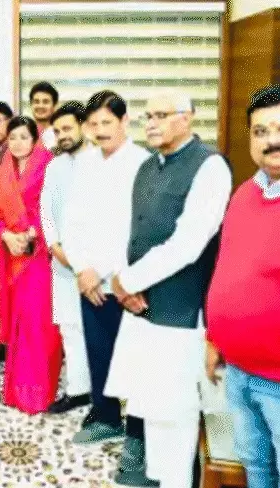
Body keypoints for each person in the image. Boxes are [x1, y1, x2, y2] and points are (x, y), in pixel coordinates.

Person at [107, 90, 231, 488]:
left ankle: (175, 481)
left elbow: (188, 244)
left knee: (175, 411)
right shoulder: (147, 166)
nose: (151, 123)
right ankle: (154, 474)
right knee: (148, 399)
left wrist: (128, 281)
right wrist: (124, 284)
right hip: (140, 307)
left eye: (161, 115)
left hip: (180, 311)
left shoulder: (210, 167)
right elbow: (134, 232)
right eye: (147, 116)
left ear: (188, 118)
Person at [62, 91, 152, 485]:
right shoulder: (84, 163)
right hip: (89, 280)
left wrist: (106, 272)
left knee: (134, 360)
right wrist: (82, 269)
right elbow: (72, 221)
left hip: (127, 281)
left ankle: (138, 435)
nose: (100, 131)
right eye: (94, 124)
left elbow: (138, 228)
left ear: (124, 121)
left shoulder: (143, 163)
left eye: (107, 123)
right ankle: (106, 416)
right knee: (97, 350)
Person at [205, 84, 280, 488]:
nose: (272, 141)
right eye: (261, 131)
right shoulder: (243, 195)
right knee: (255, 465)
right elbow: (228, 269)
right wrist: (215, 338)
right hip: (238, 370)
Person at [0, 115, 62, 414]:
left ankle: (38, 391)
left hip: (40, 256)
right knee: (19, 322)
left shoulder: (48, 167)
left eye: (23, 137)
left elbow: (55, 211)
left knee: (38, 322)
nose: (17, 143)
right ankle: (16, 390)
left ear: (35, 139)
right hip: (12, 256)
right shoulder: (6, 171)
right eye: (12, 137)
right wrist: (5, 235)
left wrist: (31, 234)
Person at [41, 101, 95, 415]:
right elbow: (46, 210)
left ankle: (102, 395)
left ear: (83, 127)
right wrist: (54, 245)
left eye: (67, 128)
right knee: (69, 329)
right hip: (61, 262)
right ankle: (77, 390)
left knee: (96, 331)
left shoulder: (100, 162)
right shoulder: (54, 166)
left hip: (94, 266)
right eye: (57, 130)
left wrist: (82, 258)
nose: (62, 135)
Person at [29, 81, 58, 151]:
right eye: (36, 102)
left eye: (45, 102)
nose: (40, 106)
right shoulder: (24, 132)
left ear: (54, 106)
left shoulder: (60, 134)